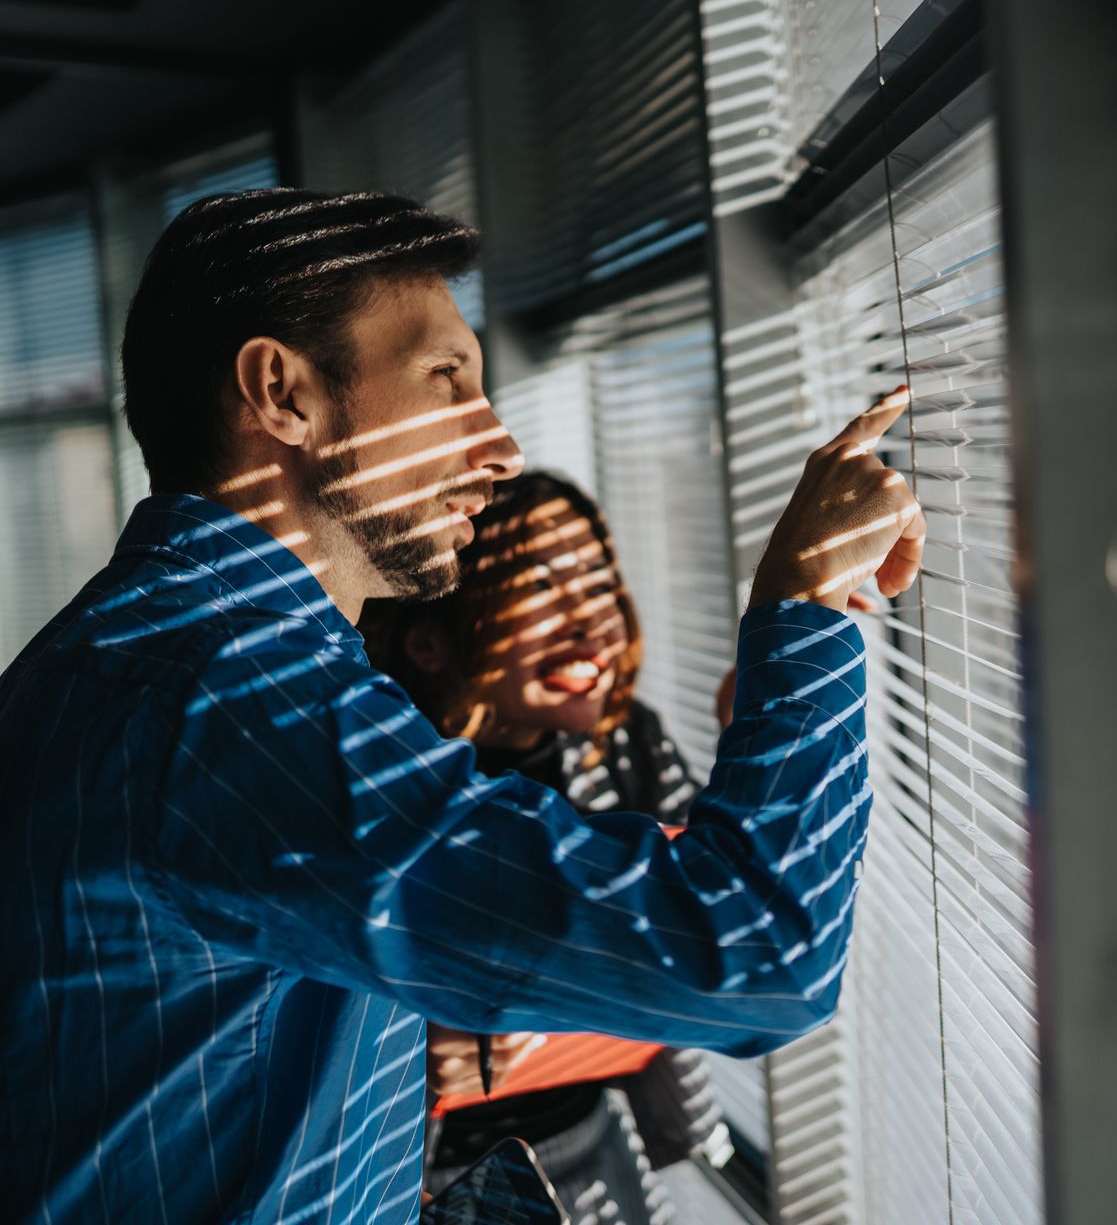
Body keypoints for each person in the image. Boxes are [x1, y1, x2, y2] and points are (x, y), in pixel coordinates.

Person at [0, 188, 924, 1222]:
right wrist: (804, 604)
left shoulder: (130, 656)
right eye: (446, 380)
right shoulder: (228, 702)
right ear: (282, 392)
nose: (498, 447)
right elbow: (760, 950)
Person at [359, 469, 729, 1222]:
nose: (592, 620)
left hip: (591, 1146)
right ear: (429, 638)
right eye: (540, 586)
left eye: (597, 579)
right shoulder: (377, 784)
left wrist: (751, 735)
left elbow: (722, 917)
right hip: (419, 1179)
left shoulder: (626, 748)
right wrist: (402, 1057)